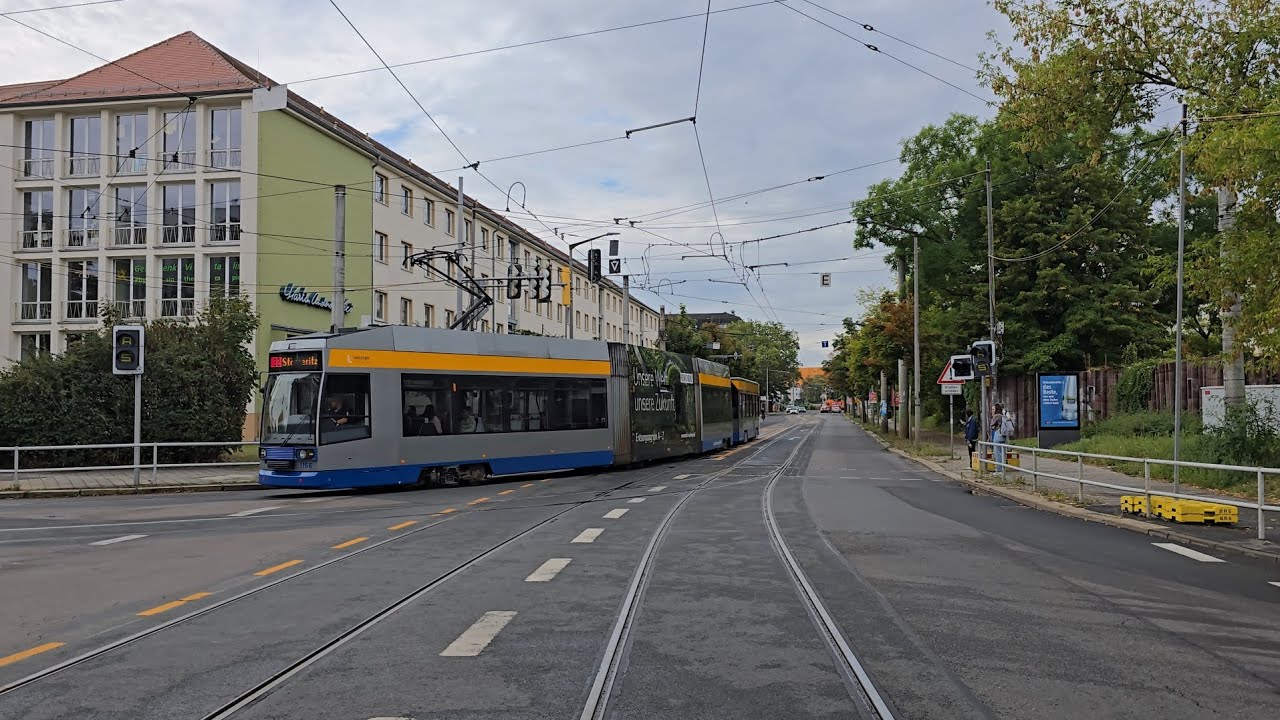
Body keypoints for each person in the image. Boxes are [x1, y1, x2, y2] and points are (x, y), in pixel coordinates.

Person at [990, 403, 1014, 471]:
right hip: (1004, 436)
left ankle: (999, 470)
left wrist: (993, 416)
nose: (992, 411)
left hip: (998, 435)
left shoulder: (997, 416)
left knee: (998, 454)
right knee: (1003, 453)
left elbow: (992, 424)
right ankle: (1002, 469)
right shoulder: (1003, 416)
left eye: (993, 409)